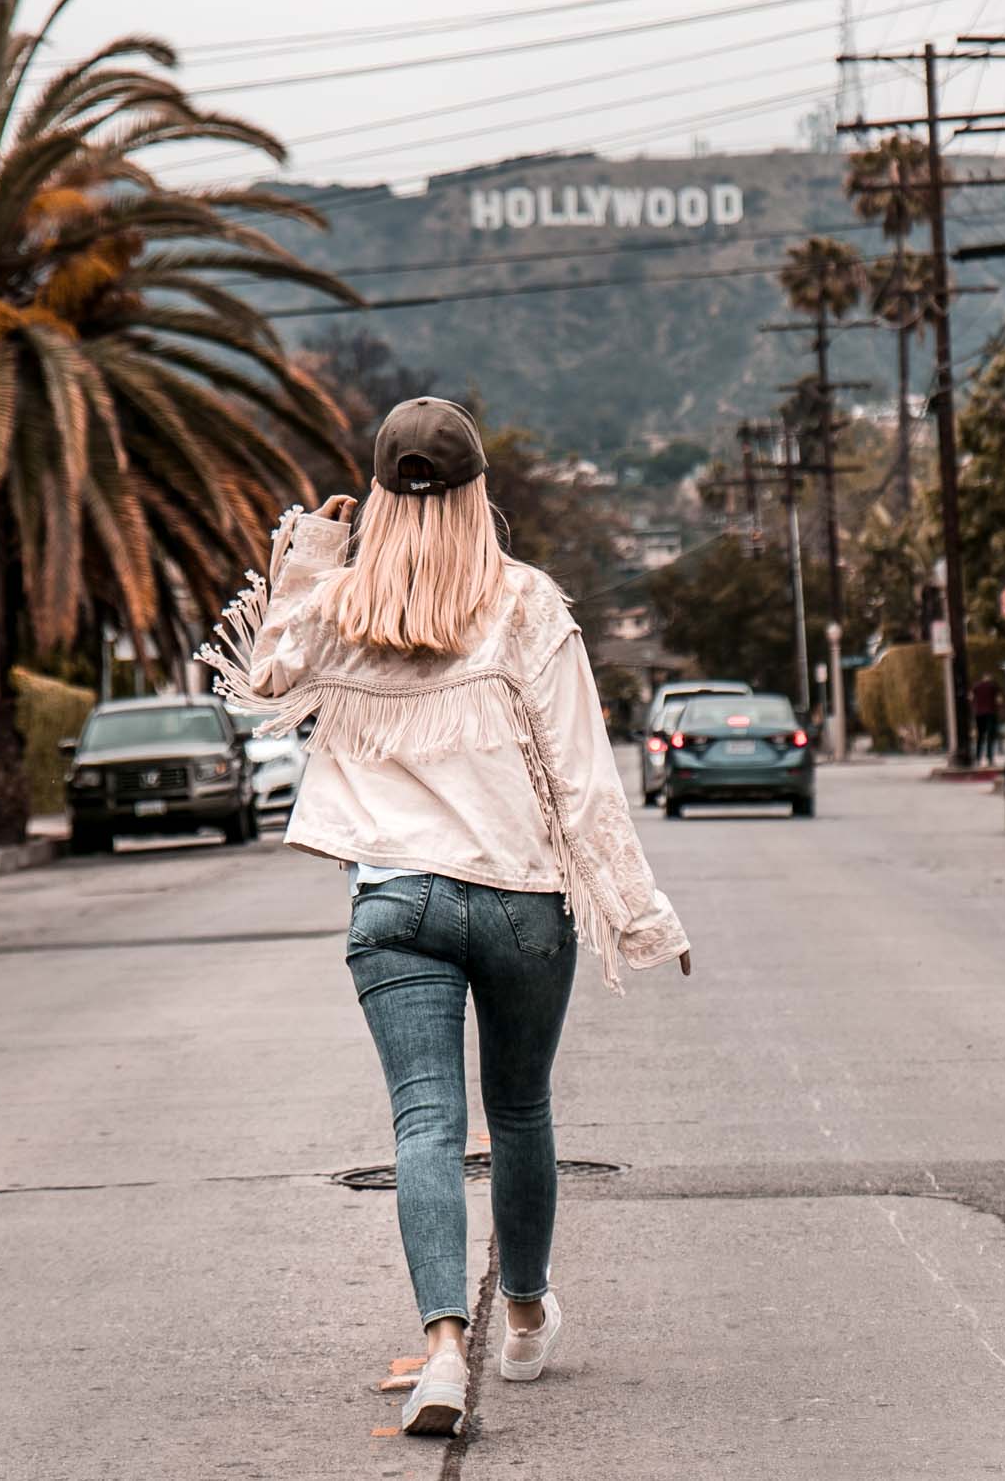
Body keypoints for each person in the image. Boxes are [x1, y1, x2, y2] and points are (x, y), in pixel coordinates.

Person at [199, 398, 690, 1440]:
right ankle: (521, 1315)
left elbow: (263, 677)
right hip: (517, 902)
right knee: (517, 1112)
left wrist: (314, 554)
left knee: (424, 1124)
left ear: (379, 495)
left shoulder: (340, 606)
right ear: (478, 497)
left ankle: (440, 1350)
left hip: (394, 902)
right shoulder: (527, 605)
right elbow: (582, 776)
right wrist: (640, 912)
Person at [972, 671, 1000, 766]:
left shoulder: (976, 686)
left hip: (979, 714)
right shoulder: (993, 686)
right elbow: (999, 700)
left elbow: (971, 698)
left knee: (980, 736)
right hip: (990, 713)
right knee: (990, 736)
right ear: (989, 677)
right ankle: (990, 757)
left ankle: (978, 758)